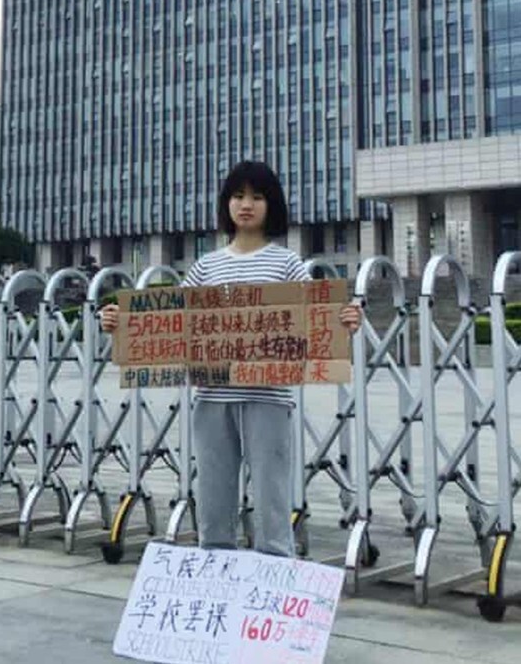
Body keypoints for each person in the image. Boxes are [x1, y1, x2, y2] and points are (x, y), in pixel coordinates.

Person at [100, 160, 361, 557]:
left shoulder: (287, 263)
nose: (246, 204)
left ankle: (273, 581)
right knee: (212, 495)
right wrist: (121, 321)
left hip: (269, 398)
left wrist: (345, 319)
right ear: (226, 204)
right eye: (238, 196)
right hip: (212, 397)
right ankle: (215, 577)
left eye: (257, 197)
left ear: (271, 205)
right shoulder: (206, 267)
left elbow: (315, 321)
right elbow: (171, 321)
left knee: (272, 496)